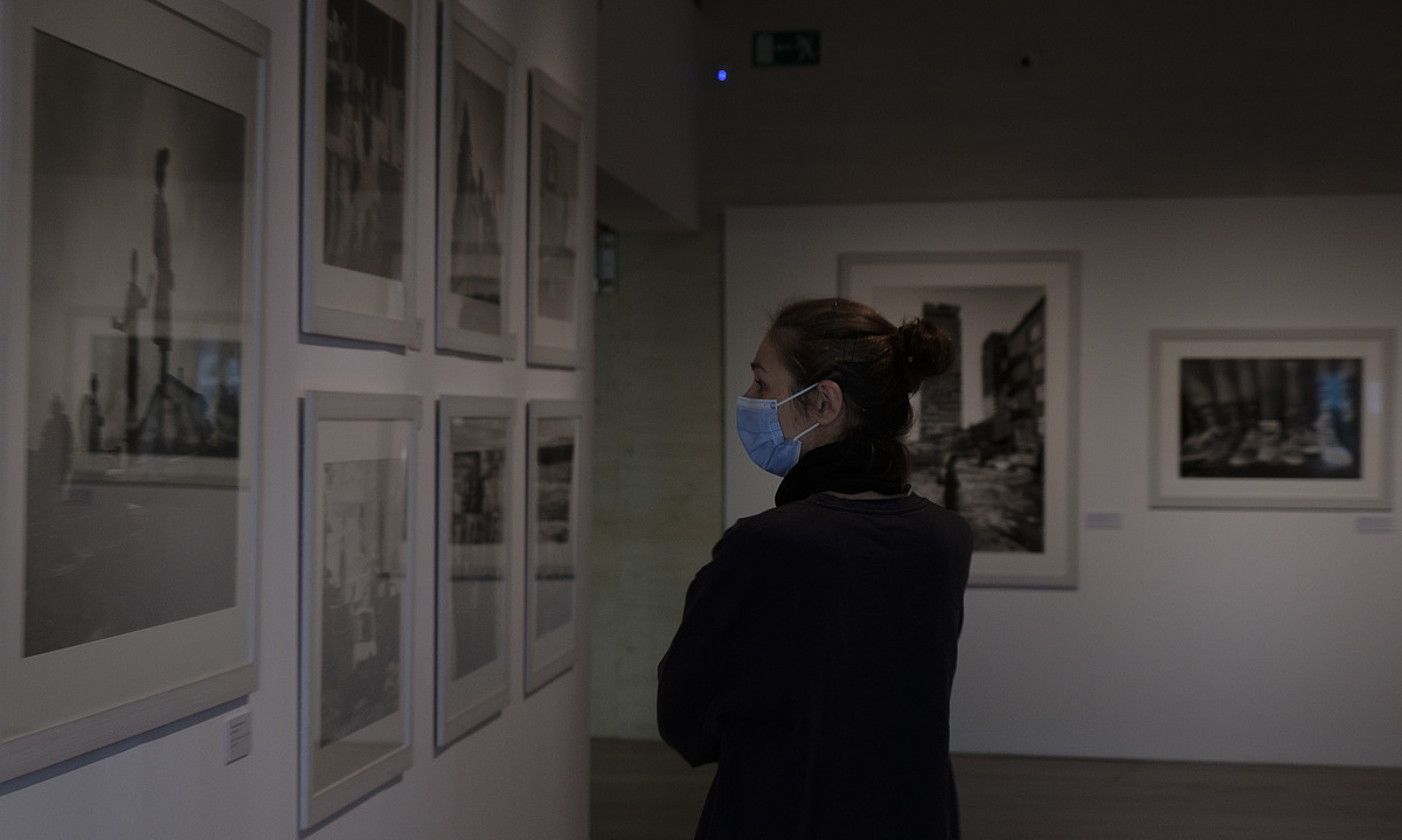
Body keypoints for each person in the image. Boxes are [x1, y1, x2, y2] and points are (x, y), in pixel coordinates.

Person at [658, 298, 974, 839]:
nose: (751, 399)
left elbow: (686, 715)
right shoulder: (946, 538)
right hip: (914, 817)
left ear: (823, 402)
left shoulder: (765, 545)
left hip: (781, 814)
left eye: (762, 384)